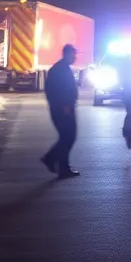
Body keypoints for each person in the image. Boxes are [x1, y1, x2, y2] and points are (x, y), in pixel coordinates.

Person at [41, 44, 81, 179]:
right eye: (74, 55)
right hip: (62, 110)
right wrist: (62, 105)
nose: (75, 58)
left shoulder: (63, 68)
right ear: (68, 54)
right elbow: (51, 91)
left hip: (66, 108)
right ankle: (59, 166)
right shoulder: (58, 70)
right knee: (68, 137)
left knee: (67, 137)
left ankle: (52, 160)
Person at [115, 53, 131, 136]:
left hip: (127, 91)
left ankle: (127, 130)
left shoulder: (122, 68)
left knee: (130, 112)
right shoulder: (129, 67)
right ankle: (127, 131)